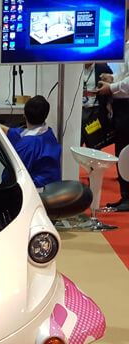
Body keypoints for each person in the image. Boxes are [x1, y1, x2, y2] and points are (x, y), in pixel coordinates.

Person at [0, 95, 62, 189]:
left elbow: (11, 176)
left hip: (38, 190)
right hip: (54, 186)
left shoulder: (27, 144)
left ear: (24, 115)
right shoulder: (48, 133)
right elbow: (15, 133)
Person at [97, 34, 129, 211]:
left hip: (126, 106)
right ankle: (125, 195)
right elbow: (125, 76)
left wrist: (111, 88)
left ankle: (128, 197)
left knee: (125, 152)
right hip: (122, 106)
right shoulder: (126, 47)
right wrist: (113, 78)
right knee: (121, 150)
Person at [81, 63, 113, 148]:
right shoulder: (74, 68)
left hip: (95, 111)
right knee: (76, 142)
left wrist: (109, 104)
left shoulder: (102, 68)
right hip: (78, 112)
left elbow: (111, 88)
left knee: (94, 144)